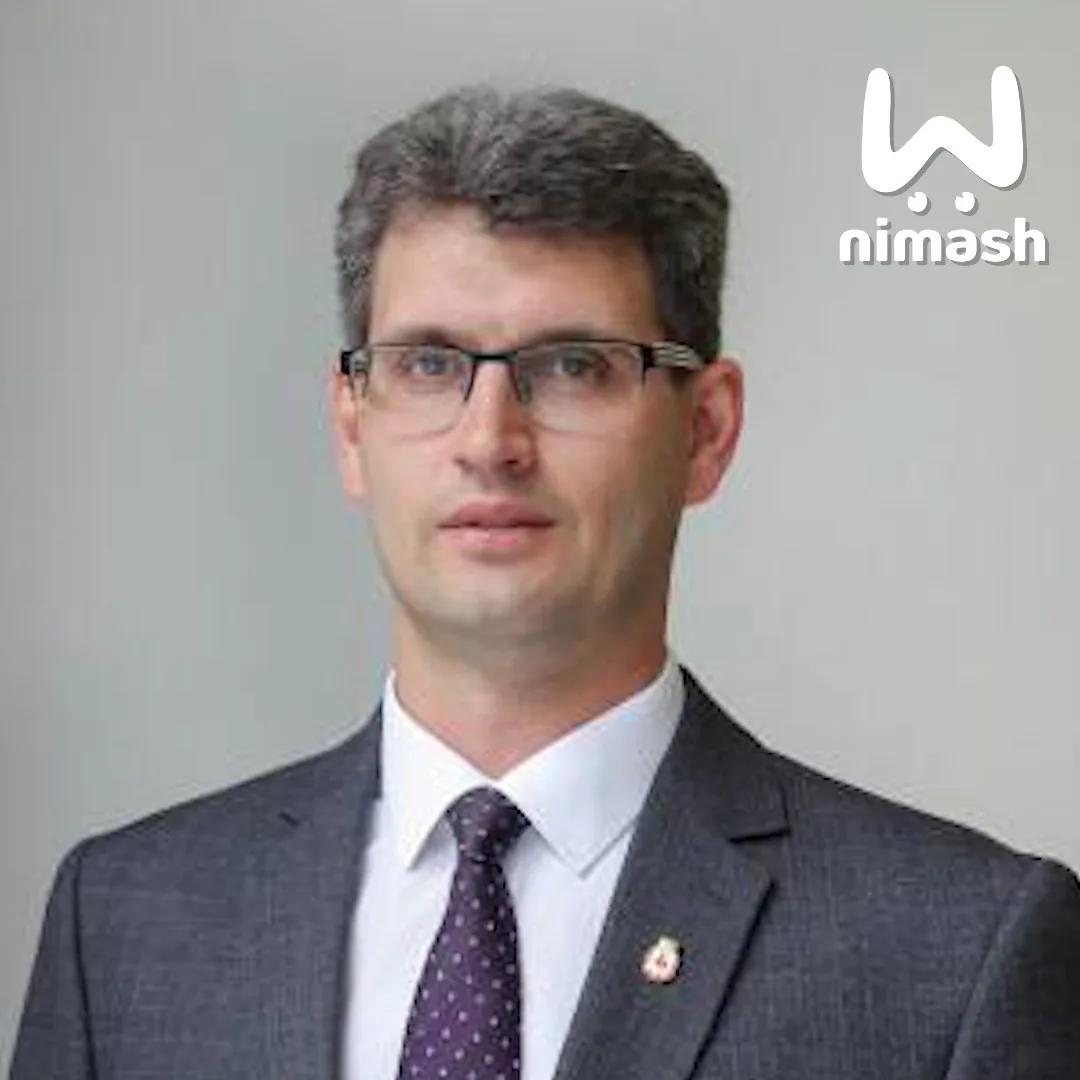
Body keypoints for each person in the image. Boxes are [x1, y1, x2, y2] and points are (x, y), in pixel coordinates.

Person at [11, 85, 1080, 1080]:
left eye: (573, 366)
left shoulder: (958, 952)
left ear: (706, 431)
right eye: (429, 363)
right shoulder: (125, 923)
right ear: (350, 427)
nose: (490, 441)